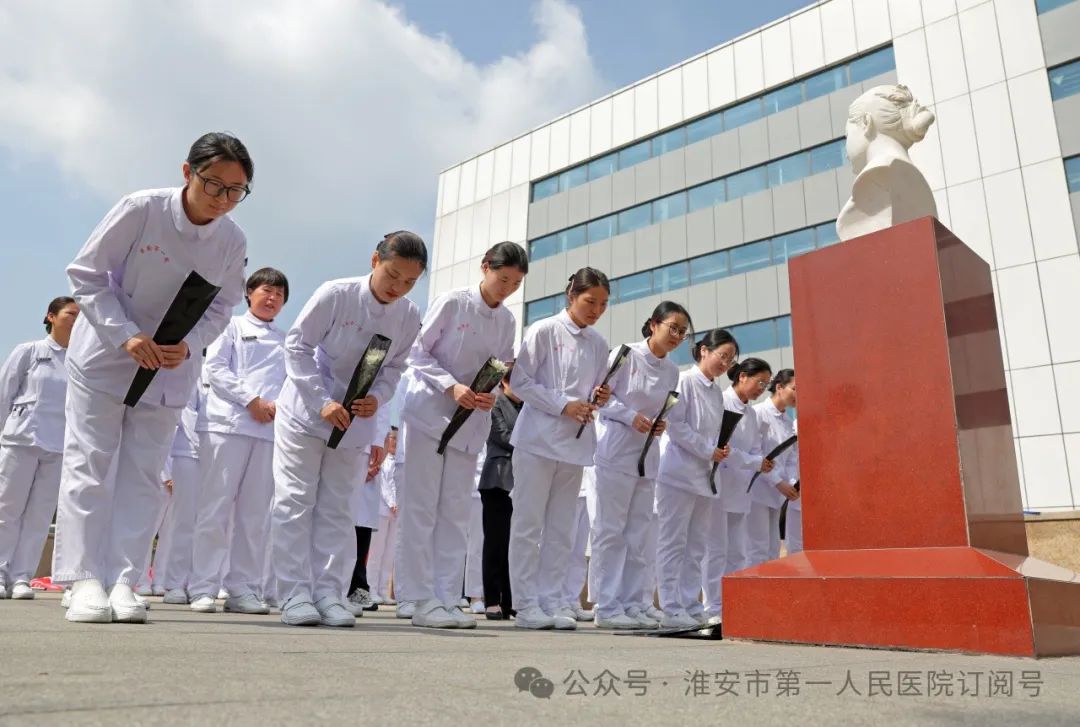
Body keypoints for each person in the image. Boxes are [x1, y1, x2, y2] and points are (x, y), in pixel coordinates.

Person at [55, 132, 251, 624]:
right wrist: (124, 335)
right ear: (187, 173)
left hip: (168, 367)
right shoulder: (141, 209)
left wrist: (191, 344)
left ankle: (123, 578)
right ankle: (82, 579)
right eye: (214, 184)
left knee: (143, 474)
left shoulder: (232, 241)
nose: (222, 198)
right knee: (92, 464)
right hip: (106, 355)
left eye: (235, 190)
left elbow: (225, 304)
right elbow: (86, 273)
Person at [270, 231, 425, 628]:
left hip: (356, 419)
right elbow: (298, 346)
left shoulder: (408, 316)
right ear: (375, 261)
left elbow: (393, 369)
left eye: (409, 282)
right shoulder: (335, 294)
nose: (398, 288)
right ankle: (293, 593)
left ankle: (328, 592)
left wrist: (379, 397)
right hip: (308, 412)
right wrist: (321, 399)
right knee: (295, 501)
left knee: (340, 508)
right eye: (393, 275)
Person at [396, 241, 525, 629]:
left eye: (516, 284)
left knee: (454, 512)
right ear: (485, 267)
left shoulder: (506, 321)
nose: (507, 289)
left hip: (470, 422)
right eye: (503, 279)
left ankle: (446, 596)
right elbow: (417, 353)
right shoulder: (452, 302)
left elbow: (498, 366)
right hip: (430, 413)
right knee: (421, 508)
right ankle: (417, 597)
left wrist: (488, 392)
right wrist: (450, 386)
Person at [507, 267, 611, 630]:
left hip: (574, 445)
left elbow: (596, 387)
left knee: (561, 528)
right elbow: (518, 381)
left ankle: (552, 600)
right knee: (528, 523)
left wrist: (599, 396)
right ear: (571, 296)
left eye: (602, 304)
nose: (595, 310)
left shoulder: (599, 344)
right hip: (536, 440)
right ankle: (525, 604)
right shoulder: (544, 330)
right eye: (589, 301)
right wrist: (562, 404)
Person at [188, 268, 289, 615]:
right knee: (215, 508)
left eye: (279, 293)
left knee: (254, 515)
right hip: (226, 426)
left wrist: (274, 409)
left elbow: (292, 386)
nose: (272, 298)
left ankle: (242, 588)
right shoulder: (229, 325)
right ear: (249, 293)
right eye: (265, 290)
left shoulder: (286, 340)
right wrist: (252, 400)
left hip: (267, 433)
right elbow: (214, 369)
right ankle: (203, 586)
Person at [589, 302, 686, 630]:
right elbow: (601, 398)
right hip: (616, 450)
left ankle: (633, 602)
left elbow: (665, 408)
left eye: (683, 332)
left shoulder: (673, 371)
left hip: (648, 455)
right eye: (673, 327)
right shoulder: (625, 354)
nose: (677, 335)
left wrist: (661, 424)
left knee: (639, 532)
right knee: (610, 529)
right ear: (654, 324)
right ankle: (606, 603)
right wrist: (631, 417)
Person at [654, 330, 738, 629]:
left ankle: (690, 603)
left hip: (704, 477)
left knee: (696, 546)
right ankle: (671, 606)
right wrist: (708, 449)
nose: (725, 363)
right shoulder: (683, 380)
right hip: (677, 474)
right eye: (722, 355)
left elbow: (712, 432)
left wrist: (719, 447)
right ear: (704, 350)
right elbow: (676, 426)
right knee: (672, 542)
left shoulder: (716, 392)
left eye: (730, 359)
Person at [0, 297, 79, 600]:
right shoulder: (30, 351)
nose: (76, 320)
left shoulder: (81, 359)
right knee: (8, 509)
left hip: (59, 447)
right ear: (51, 316)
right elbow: (4, 393)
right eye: (71, 314)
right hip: (22, 440)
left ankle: (21, 576)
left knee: (39, 515)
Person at [702, 357, 775, 624]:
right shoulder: (720, 402)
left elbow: (754, 447)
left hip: (742, 488)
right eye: (759, 382)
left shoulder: (752, 413)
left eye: (766, 384)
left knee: (738, 550)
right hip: (720, 483)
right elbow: (724, 448)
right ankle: (712, 607)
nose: (761, 388)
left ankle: (733, 603)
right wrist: (754, 461)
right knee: (715, 549)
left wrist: (759, 461)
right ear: (742, 376)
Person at [477, 368, 519, 621]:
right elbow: (503, 436)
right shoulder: (495, 404)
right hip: (498, 479)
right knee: (495, 542)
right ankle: (492, 599)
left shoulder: (527, 407)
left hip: (521, 480)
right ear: (504, 381)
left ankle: (509, 600)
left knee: (513, 544)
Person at [748, 369, 800, 567]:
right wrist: (778, 482)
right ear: (779, 387)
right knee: (756, 547)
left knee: (772, 548)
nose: (798, 395)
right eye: (794, 389)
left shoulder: (787, 422)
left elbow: (790, 458)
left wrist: (791, 483)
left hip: (777, 494)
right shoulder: (758, 413)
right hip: (758, 490)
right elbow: (756, 453)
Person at [366, 426, 399, 606]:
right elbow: (385, 486)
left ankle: (382, 589)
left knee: (389, 554)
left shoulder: (399, 462)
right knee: (376, 553)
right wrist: (392, 502)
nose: (395, 442)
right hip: (382, 510)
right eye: (392, 439)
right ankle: (371, 587)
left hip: (395, 514)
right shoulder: (383, 462)